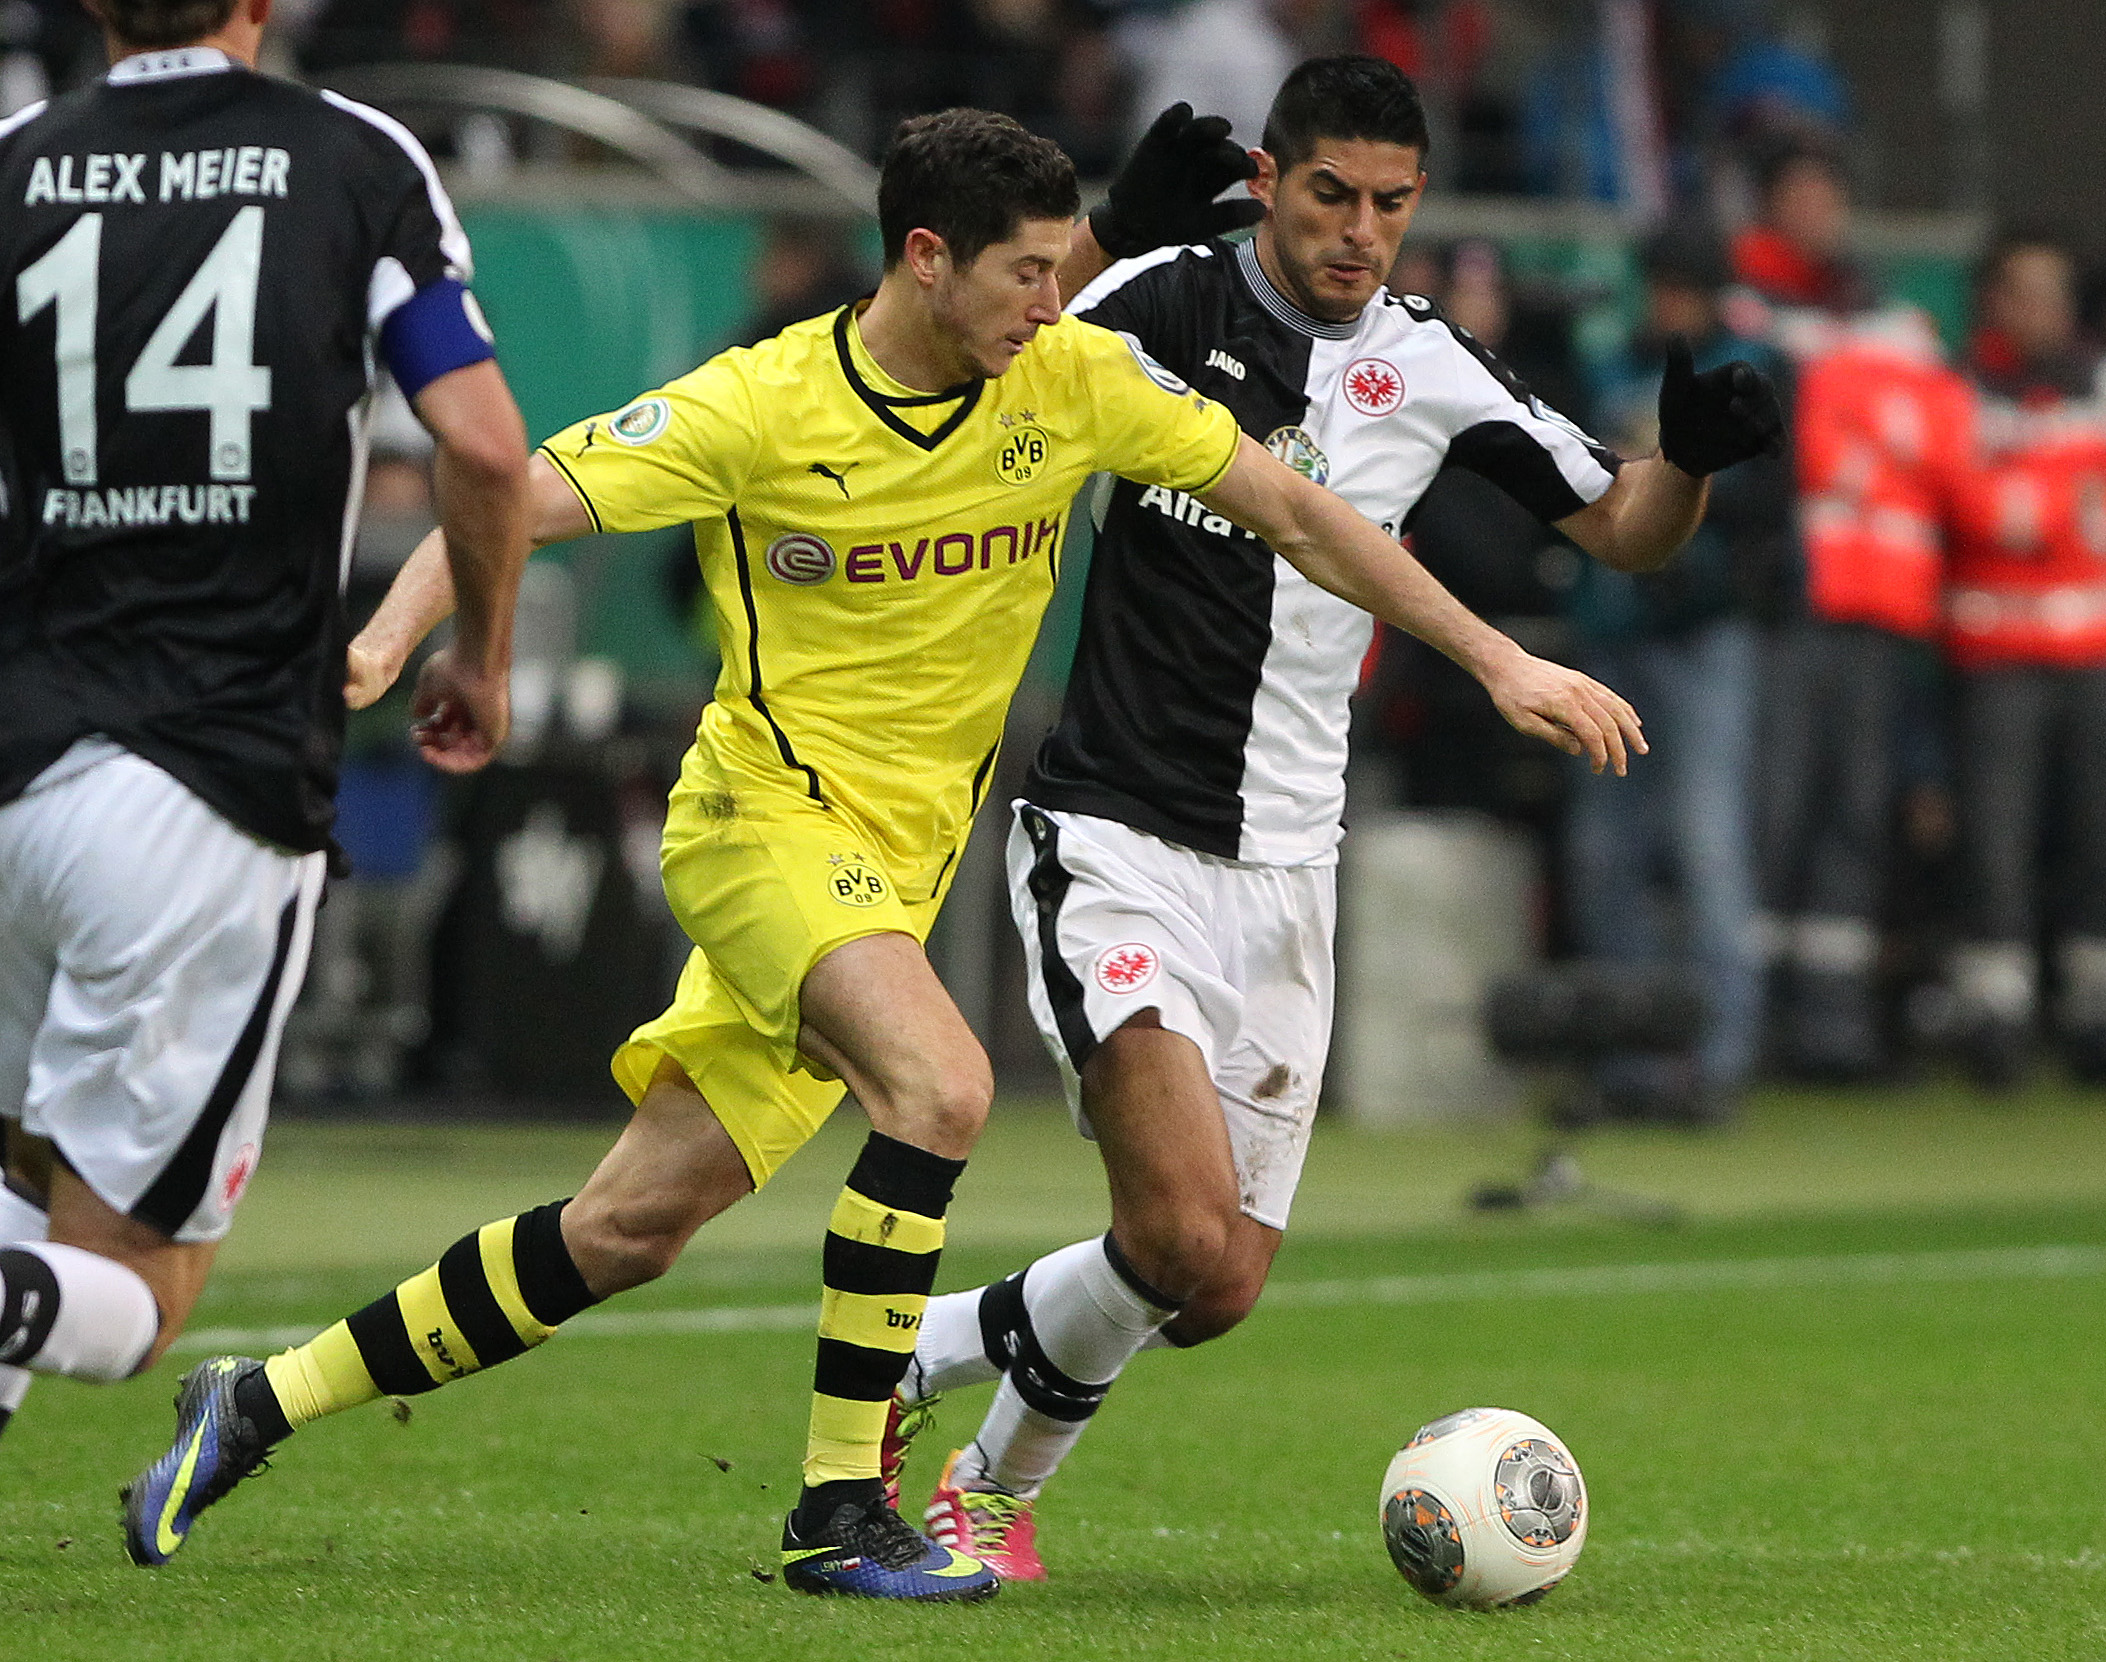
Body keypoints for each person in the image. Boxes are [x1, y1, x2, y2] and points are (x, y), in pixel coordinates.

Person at [130, 104, 1647, 1599]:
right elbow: (512, 491)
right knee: (940, 1085)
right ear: (928, 259)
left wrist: (1493, 658)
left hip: (894, 870)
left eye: (1066, 269)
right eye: (1028, 272)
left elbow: (1305, 516)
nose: (1057, 300)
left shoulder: (1067, 380)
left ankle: (256, 1400)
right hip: (761, 825)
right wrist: (397, 636)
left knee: (626, 1229)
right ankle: (840, 1507)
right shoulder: (764, 405)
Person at [883, 57, 1783, 1581]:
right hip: (1112, 834)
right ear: (1272, 178)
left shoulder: (1431, 367)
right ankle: (989, 1492)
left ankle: (903, 1350)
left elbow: (1624, 527)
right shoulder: (1156, 305)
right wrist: (1102, 243)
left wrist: (1688, 459)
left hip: (1291, 863)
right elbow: (966, 355)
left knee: (1217, 1281)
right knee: (1168, 1230)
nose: (1357, 231)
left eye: (1389, 202)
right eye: (1328, 195)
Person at [0, 0, 528, 1489]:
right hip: (204, 783)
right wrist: (475, 654)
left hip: (15, 759)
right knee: (138, 1299)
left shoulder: (14, 161)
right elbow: (484, 446)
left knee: (18, 1178)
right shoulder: (351, 162)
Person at [1739, 139, 1970, 1078]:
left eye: (1829, 194)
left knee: (1855, 819)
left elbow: (1949, 456)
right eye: (1799, 193)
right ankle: (1747, 1021)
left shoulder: (1894, 323)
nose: (1817, 211)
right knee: (1773, 812)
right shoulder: (1748, 308)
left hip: (1882, 607)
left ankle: (1830, 1027)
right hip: (1790, 603)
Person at [1560, 221, 1796, 1125]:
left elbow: (1771, 496)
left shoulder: (1749, 368)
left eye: (1682, 287)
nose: (1667, 302)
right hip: (1615, 626)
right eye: (1659, 284)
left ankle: (1717, 1059)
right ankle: (1624, 1059)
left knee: (1706, 844)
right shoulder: (1615, 366)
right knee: (1605, 851)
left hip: (1706, 631)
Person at [1942, 230, 2106, 1085]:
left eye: (2057, 291)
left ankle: (2093, 1010)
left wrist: (2022, 500)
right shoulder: (1962, 389)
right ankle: (1996, 1019)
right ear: (1996, 301)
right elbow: (1968, 504)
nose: (2044, 309)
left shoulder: (2099, 386)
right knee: (1996, 846)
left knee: (2097, 839)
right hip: (1994, 651)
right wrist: (2051, 506)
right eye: (2026, 291)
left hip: (2093, 655)